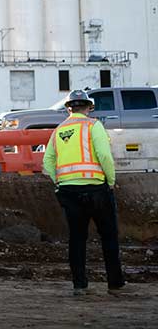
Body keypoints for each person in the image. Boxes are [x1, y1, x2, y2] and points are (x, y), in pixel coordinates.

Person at [42, 89, 129, 296]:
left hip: (69, 191)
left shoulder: (59, 130)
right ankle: (115, 284)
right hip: (97, 188)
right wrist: (111, 181)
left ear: (68, 109)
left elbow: (47, 161)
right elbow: (104, 156)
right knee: (108, 237)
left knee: (77, 239)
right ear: (89, 107)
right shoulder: (93, 126)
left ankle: (79, 285)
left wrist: (60, 182)